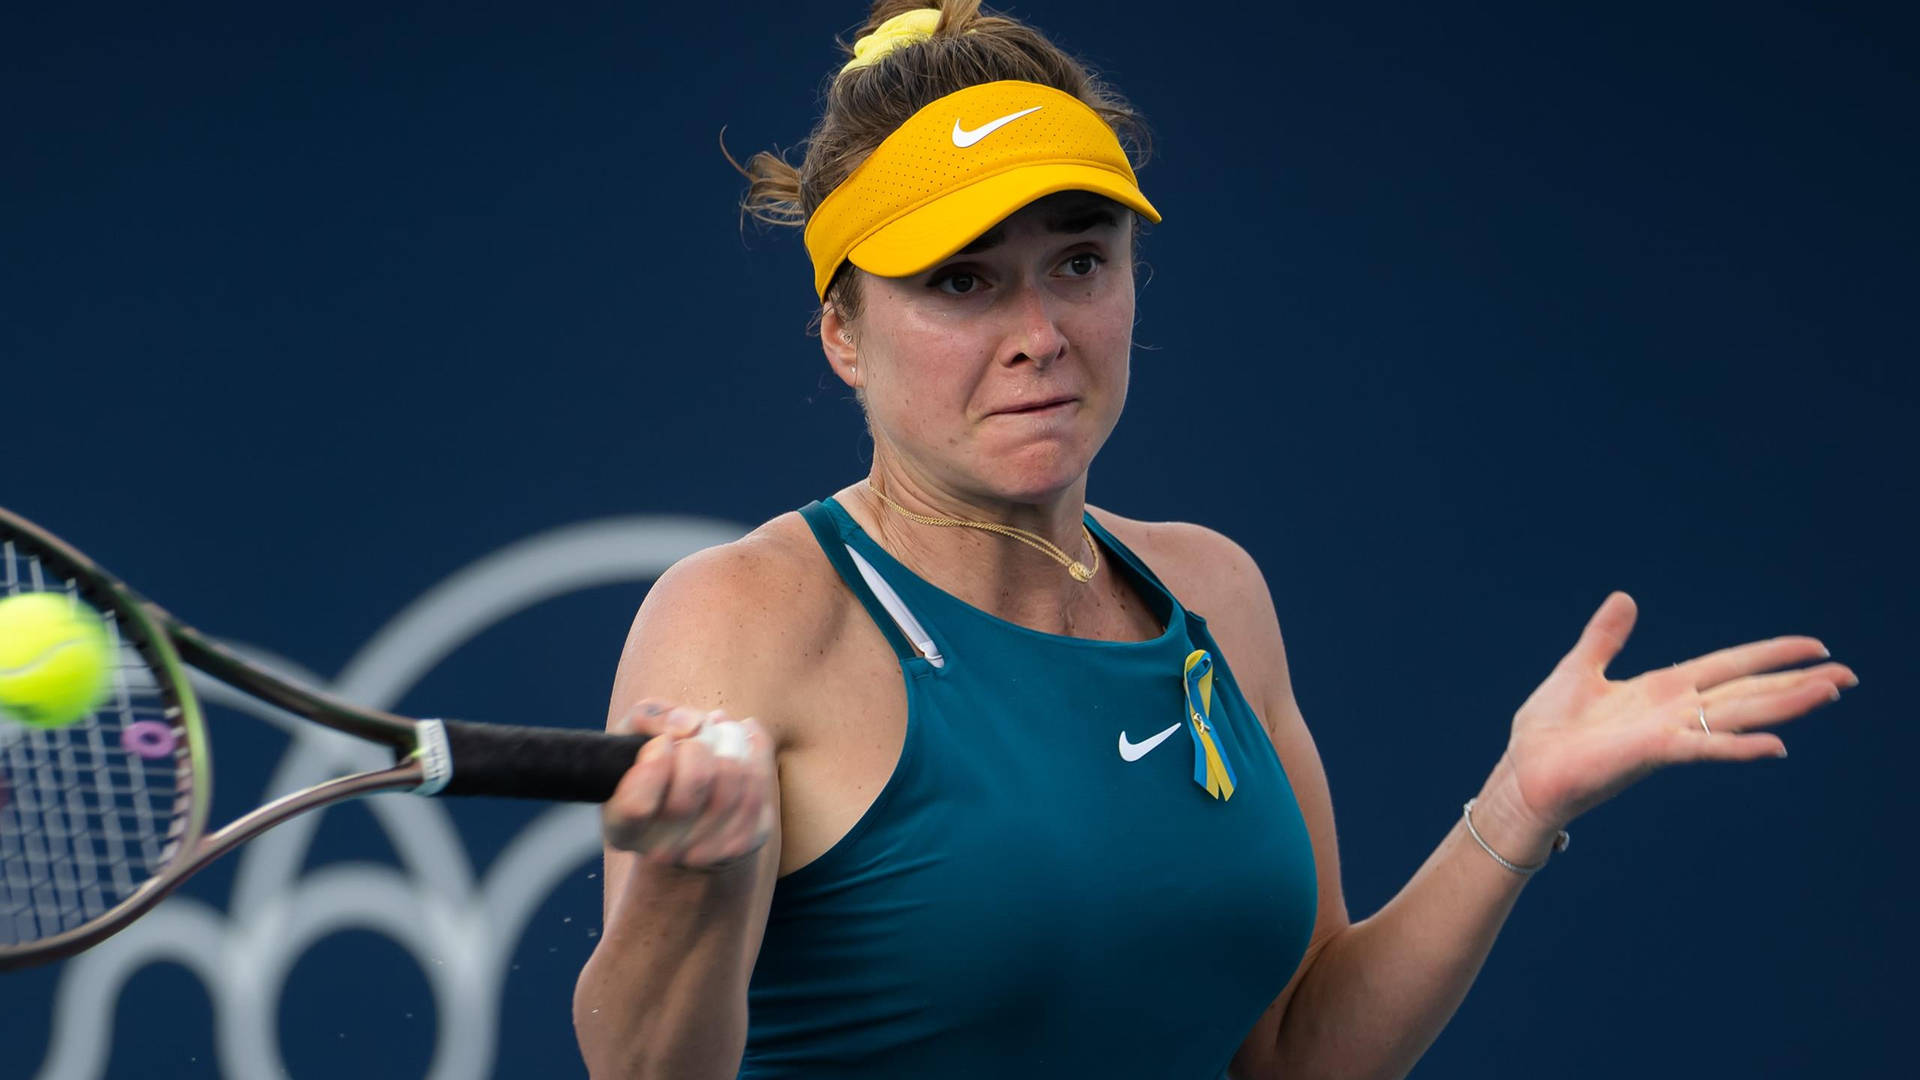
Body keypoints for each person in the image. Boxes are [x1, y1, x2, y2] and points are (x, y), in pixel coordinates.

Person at [571, 2, 1857, 1077]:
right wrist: (694, 882)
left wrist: (1519, 803)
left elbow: (1296, 1052)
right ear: (842, 333)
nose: (1040, 331)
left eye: (1080, 262)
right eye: (961, 281)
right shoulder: (741, 616)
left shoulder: (1211, 589)